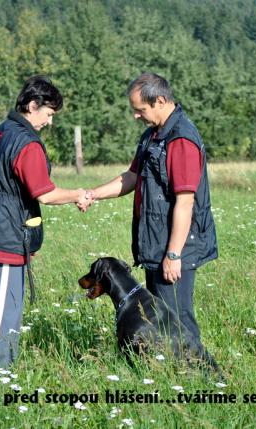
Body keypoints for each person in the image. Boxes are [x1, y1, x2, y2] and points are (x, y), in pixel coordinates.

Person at [88, 72, 218, 357]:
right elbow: (132, 177)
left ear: (160, 101)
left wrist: (173, 254)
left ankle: (203, 373)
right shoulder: (153, 136)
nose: (136, 116)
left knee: (178, 320)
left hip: (174, 247)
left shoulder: (181, 139)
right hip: (156, 243)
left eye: (140, 109)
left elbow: (185, 202)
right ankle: (167, 369)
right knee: (161, 319)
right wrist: (93, 194)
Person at [0, 76, 93, 368]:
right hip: (6, 228)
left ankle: (4, 363)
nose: (50, 122)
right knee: (3, 304)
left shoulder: (1, 130)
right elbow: (45, 194)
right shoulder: (27, 143)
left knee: (9, 299)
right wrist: (77, 194)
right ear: (33, 105)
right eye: (48, 114)